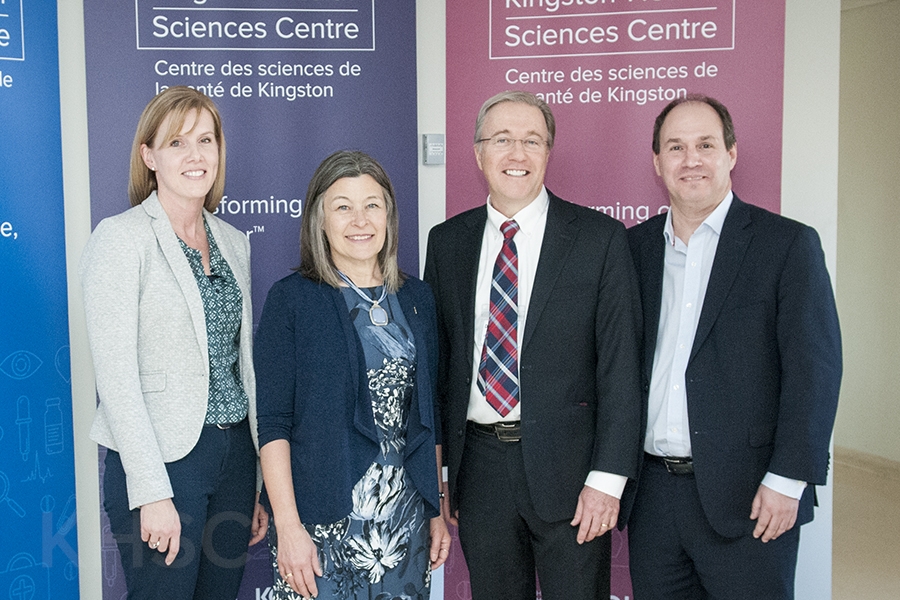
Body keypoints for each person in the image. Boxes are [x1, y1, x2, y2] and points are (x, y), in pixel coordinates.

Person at [423, 90, 643, 599]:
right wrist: (441, 478)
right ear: (478, 153)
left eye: (531, 141)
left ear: (548, 152)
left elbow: (621, 367)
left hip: (574, 475)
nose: (516, 154)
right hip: (479, 472)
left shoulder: (599, 238)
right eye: (502, 139)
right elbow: (440, 366)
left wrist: (607, 480)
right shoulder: (447, 241)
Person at [624, 94, 842, 599]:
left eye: (705, 144)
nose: (691, 159)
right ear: (657, 162)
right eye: (675, 147)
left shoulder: (786, 244)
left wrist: (789, 479)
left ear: (732, 154)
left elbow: (815, 370)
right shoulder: (633, 250)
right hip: (653, 499)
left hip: (752, 497)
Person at [81, 86, 267, 599]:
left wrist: (252, 484)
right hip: (163, 463)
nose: (195, 155)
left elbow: (239, 365)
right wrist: (151, 492)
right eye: (178, 142)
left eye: (205, 140)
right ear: (149, 155)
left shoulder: (233, 241)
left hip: (233, 458)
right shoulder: (120, 238)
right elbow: (116, 378)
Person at [254, 150, 451, 600]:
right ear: (320, 220)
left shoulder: (417, 297)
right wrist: (288, 527)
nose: (359, 220)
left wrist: (436, 507)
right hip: (321, 520)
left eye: (372, 205)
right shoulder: (292, 300)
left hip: (406, 521)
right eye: (342, 206)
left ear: (389, 216)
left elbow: (429, 415)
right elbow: (273, 424)